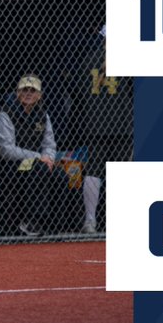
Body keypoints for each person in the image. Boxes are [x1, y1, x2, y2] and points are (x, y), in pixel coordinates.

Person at [57, 24, 124, 234]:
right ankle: (109, 220)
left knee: (95, 171)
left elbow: (76, 89)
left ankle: (90, 220)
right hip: (121, 123)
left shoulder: (89, 59)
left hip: (96, 122)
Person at [0, 74, 59, 237]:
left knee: (59, 175)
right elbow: (6, 150)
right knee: (38, 169)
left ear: (39, 95)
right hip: (10, 165)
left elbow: (49, 143)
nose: (28, 93)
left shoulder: (43, 115)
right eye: (24, 90)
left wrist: (48, 158)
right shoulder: (5, 114)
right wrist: (38, 157)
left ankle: (56, 223)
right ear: (17, 93)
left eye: (32, 90)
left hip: (37, 162)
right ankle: (32, 221)